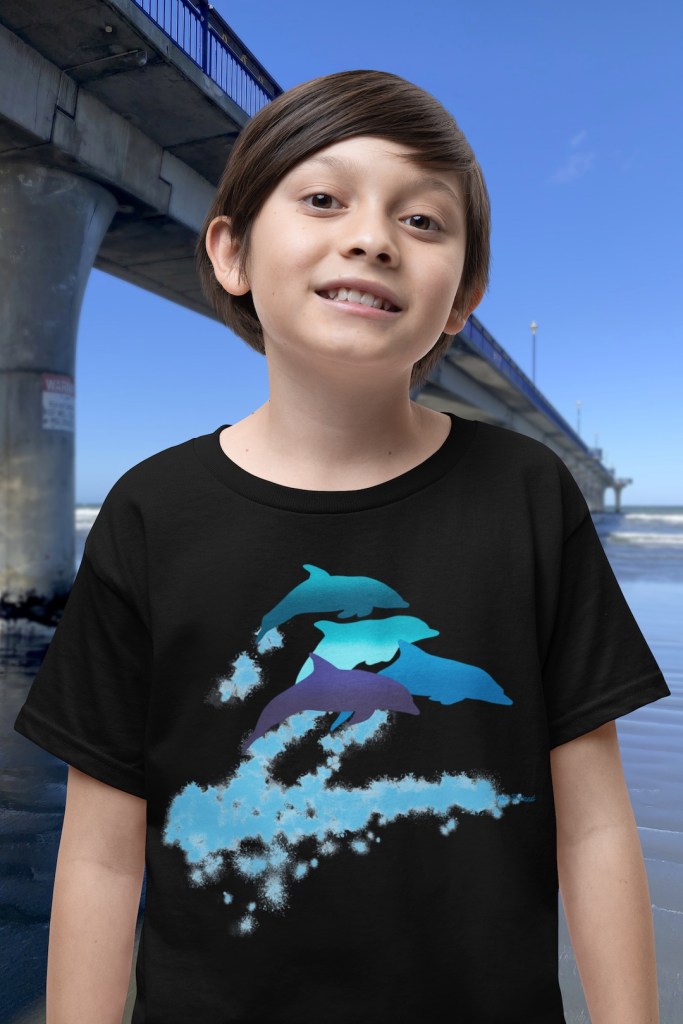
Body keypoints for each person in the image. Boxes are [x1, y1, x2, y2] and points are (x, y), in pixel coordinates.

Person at [13, 69, 670, 1024]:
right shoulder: (153, 510)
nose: (370, 237)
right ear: (231, 251)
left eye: (422, 221)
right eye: (323, 199)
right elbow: (104, 853)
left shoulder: (527, 494)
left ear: (462, 299)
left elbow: (597, 824)